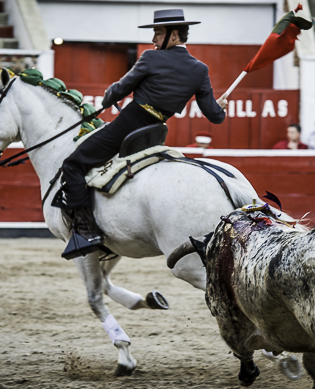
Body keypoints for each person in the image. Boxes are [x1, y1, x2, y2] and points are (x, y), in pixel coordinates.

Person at [56, 9, 228, 257]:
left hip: (129, 123)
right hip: (155, 132)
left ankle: (86, 230)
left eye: (158, 33)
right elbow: (214, 116)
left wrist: (107, 97)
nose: (153, 39)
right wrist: (220, 107)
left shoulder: (150, 58)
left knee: (73, 164)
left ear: (175, 35)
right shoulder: (200, 70)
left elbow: (119, 90)